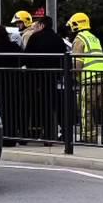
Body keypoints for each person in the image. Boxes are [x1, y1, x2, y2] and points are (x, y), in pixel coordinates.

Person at [67, 12, 103, 145]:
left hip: (90, 79)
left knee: (86, 108)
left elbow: (77, 63)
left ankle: (89, 137)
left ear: (75, 25)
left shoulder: (79, 39)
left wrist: (72, 75)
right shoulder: (94, 38)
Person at [25, 16, 67, 144]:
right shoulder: (58, 39)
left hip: (36, 77)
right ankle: (51, 135)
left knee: (39, 106)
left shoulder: (35, 37)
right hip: (52, 77)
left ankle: (38, 133)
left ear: (42, 25)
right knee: (52, 106)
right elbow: (64, 57)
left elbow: (26, 56)